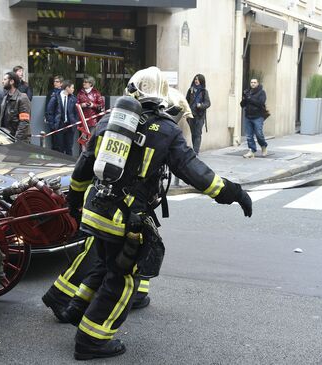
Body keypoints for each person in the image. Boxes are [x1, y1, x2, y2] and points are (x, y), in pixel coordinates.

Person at [50, 66, 252, 360]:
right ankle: (91, 341)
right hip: (124, 217)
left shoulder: (109, 120)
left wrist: (75, 200)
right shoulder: (166, 130)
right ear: (161, 95)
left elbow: (83, 165)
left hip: (94, 209)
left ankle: (74, 310)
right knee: (123, 278)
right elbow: (196, 173)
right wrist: (234, 193)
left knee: (106, 266)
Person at [40, 84, 195, 325]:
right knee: (97, 257)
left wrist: (76, 198)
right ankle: (60, 297)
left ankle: (132, 294)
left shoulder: (122, 123)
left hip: (109, 202)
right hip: (113, 206)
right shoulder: (148, 128)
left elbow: (84, 165)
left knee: (112, 254)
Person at [45, 79, 78, 155]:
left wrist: (75, 122)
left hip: (70, 125)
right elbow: (49, 112)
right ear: (67, 88)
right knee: (59, 147)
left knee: (69, 147)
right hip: (59, 125)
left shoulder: (73, 98)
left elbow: (76, 112)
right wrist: (52, 125)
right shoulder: (56, 97)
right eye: (72, 88)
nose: (73, 90)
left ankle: (70, 164)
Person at [0, 71, 31, 142]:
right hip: (6, 138)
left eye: (5, 79)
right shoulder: (5, 98)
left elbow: (24, 122)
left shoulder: (22, 98)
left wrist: (16, 139)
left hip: (18, 140)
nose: (2, 81)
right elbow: (1, 119)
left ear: (12, 81)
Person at [240, 78, 268, 158]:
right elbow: (242, 105)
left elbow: (260, 103)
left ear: (258, 83)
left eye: (254, 82)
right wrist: (244, 98)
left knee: (259, 134)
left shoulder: (261, 92)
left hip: (258, 116)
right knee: (249, 135)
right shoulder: (247, 92)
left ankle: (263, 146)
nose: (253, 84)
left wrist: (249, 98)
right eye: (251, 82)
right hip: (248, 116)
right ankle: (252, 150)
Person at [77, 76, 105, 149]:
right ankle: (83, 155)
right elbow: (76, 105)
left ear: (91, 84)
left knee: (92, 140)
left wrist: (93, 105)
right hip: (83, 121)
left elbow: (101, 106)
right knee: (83, 140)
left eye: (86, 82)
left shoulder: (96, 93)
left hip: (93, 121)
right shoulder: (80, 93)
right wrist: (82, 105)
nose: (84, 83)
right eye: (83, 82)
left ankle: (90, 155)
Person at [185, 74, 210, 154]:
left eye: (198, 80)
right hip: (191, 115)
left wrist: (201, 105)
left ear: (201, 81)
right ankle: (194, 150)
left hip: (200, 116)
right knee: (193, 133)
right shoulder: (190, 90)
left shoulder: (204, 92)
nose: (196, 81)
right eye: (195, 79)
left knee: (198, 133)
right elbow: (186, 101)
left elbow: (208, 103)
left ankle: (195, 151)